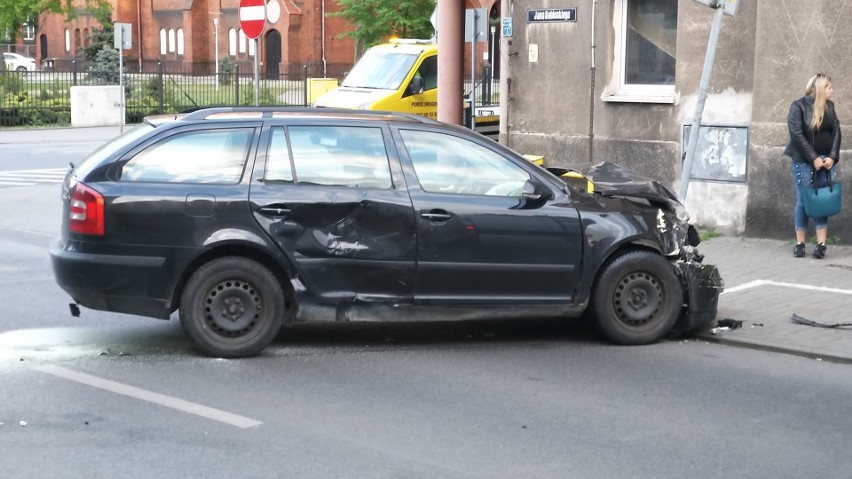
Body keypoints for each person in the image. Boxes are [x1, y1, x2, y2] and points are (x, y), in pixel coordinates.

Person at [783, 73, 841, 259]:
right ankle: (800, 243)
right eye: (830, 87)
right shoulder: (798, 106)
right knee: (804, 200)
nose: (832, 90)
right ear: (821, 88)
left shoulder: (830, 107)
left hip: (826, 161)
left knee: (821, 201)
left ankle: (821, 245)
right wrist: (813, 158)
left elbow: (836, 133)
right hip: (804, 161)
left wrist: (832, 157)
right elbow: (796, 134)